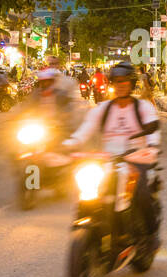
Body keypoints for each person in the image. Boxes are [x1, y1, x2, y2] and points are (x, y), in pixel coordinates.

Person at [63, 61, 161, 234]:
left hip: (137, 160)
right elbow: (85, 130)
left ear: (131, 83)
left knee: (142, 192)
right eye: (117, 81)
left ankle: (149, 236)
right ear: (112, 83)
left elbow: (153, 131)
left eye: (124, 81)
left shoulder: (143, 107)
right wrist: (69, 144)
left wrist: (152, 147)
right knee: (88, 192)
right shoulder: (103, 108)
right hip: (107, 160)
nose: (120, 85)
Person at [22, 67, 80, 138]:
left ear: (53, 82)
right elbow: (27, 107)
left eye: (48, 82)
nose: (45, 84)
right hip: (39, 128)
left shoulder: (62, 95)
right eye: (43, 82)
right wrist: (24, 116)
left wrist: (64, 118)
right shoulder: (35, 95)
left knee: (67, 144)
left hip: (58, 130)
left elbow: (68, 109)